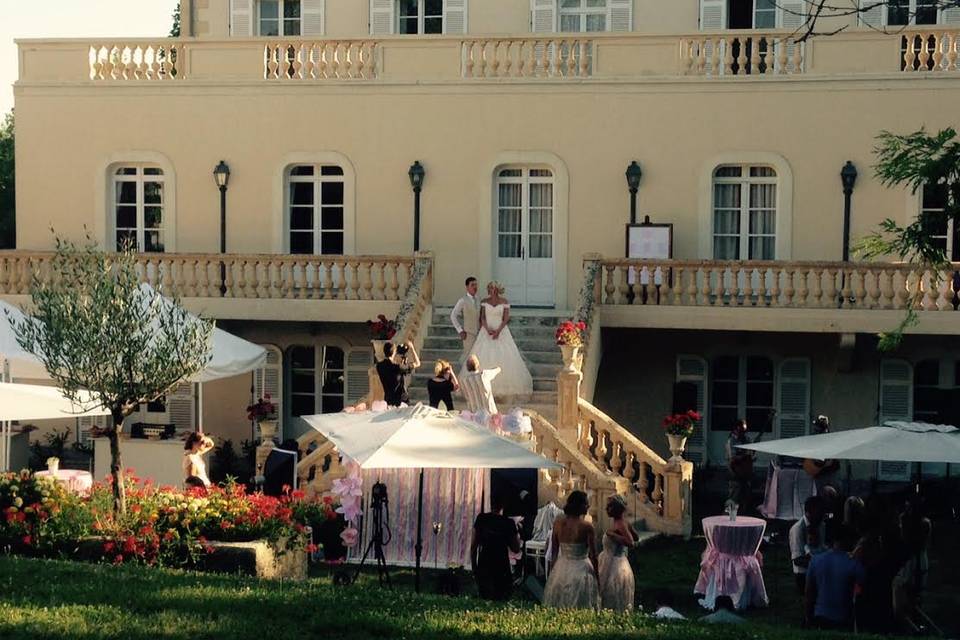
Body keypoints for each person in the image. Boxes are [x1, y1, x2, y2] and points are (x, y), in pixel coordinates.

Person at [462, 281, 533, 398]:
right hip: (487, 331)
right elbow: (482, 318)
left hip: (501, 330)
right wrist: (487, 329)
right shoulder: (484, 302)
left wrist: (498, 331)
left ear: (497, 289)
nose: (491, 290)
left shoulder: (504, 302)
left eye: (493, 288)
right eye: (489, 288)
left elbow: (506, 318)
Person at [543, 490, 600, 610]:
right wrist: (598, 578)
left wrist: (553, 573)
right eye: (586, 503)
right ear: (579, 506)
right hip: (582, 568)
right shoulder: (587, 527)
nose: (588, 506)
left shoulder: (558, 523)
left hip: (561, 567)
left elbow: (554, 552)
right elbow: (593, 556)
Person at [805, 521, 866, 631]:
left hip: (820, 615)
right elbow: (862, 591)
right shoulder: (854, 563)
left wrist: (808, 617)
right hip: (843, 617)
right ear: (848, 539)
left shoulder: (816, 560)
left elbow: (809, 593)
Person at [470, 494, 521, 601]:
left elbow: (473, 546)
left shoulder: (482, 519)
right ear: (504, 505)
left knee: (485, 599)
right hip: (501, 566)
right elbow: (515, 548)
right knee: (500, 599)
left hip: (484, 564)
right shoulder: (508, 523)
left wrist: (474, 567)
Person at [598, 495, 637, 612]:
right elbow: (636, 537)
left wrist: (613, 535)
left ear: (617, 508)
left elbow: (631, 542)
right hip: (607, 560)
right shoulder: (622, 523)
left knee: (612, 588)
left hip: (615, 563)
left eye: (609, 506)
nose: (606, 508)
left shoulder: (620, 524)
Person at [789, 495, 826, 594]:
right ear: (809, 513)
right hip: (804, 575)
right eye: (819, 513)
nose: (822, 516)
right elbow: (797, 560)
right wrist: (821, 563)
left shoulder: (821, 524)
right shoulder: (798, 529)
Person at [375, 340, 420, 407]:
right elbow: (417, 363)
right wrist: (412, 348)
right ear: (394, 352)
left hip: (388, 400)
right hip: (401, 401)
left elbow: (391, 372)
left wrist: (402, 363)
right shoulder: (398, 367)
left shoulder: (379, 366)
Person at [450, 276, 481, 366]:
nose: (475, 287)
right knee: (469, 357)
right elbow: (453, 315)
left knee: (478, 357)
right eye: (472, 285)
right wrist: (460, 330)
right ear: (467, 287)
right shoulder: (462, 300)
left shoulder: (478, 299)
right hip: (468, 333)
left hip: (479, 333)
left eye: (476, 285)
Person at [725, 420, 754, 511]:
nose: (744, 433)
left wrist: (751, 454)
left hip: (745, 471)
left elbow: (751, 454)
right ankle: (730, 513)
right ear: (736, 429)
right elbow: (733, 458)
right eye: (742, 430)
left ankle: (744, 511)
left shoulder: (747, 439)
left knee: (746, 492)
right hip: (734, 470)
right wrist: (745, 455)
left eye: (745, 431)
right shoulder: (731, 441)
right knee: (734, 493)